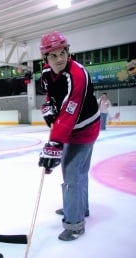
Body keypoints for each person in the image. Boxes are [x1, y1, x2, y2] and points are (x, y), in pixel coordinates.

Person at [38, 31, 100, 241]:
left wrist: (54, 143)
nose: (60, 58)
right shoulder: (47, 72)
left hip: (85, 128)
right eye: (53, 55)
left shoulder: (78, 75)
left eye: (63, 52)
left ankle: (75, 224)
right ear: (45, 58)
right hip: (71, 128)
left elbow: (69, 112)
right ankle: (79, 208)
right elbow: (51, 94)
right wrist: (48, 106)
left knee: (72, 172)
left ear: (68, 51)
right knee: (78, 171)